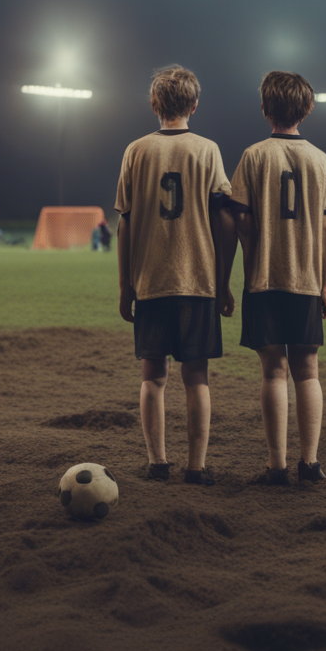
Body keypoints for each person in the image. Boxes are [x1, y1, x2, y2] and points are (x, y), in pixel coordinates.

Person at [115, 65, 235, 485]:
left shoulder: (136, 150)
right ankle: (197, 468)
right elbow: (225, 217)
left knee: (153, 377)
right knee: (196, 378)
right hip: (197, 280)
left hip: (150, 282)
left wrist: (125, 286)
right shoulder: (207, 149)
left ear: (154, 104)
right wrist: (223, 281)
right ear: (195, 105)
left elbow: (125, 222)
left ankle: (157, 463)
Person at [228, 71, 326, 485]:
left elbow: (240, 219)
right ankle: (310, 464)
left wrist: (254, 251)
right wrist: (324, 284)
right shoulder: (321, 160)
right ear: (306, 110)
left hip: (264, 280)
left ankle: (277, 467)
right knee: (308, 370)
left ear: (264, 109)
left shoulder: (254, 156)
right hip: (307, 280)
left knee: (273, 372)